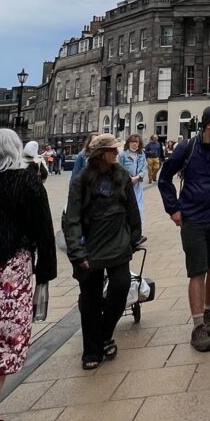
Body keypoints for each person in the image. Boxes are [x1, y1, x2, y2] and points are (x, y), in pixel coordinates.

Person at [158, 106, 210, 352]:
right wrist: (173, 209)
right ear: (208, 124)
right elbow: (165, 178)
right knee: (197, 271)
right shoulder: (187, 148)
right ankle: (197, 327)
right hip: (193, 220)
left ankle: (208, 311)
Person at [0, 128, 58, 421]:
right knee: (4, 345)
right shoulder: (28, 181)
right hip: (11, 271)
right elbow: (44, 230)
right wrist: (45, 272)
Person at [64, 133, 141, 370]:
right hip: (90, 248)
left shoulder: (121, 176)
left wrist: (133, 238)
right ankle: (91, 349)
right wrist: (78, 252)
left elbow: (132, 211)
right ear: (100, 154)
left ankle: (105, 332)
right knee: (90, 300)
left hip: (118, 244)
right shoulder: (81, 182)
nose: (116, 154)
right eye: (112, 151)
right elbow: (73, 219)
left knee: (120, 286)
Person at [119, 134, 147, 226]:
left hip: (138, 182)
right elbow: (120, 168)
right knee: (128, 204)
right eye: (132, 142)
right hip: (127, 183)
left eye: (136, 142)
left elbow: (144, 167)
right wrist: (129, 178)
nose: (134, 144)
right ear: (128, 143)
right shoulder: (123, 154)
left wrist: (138, 177)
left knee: (139, 205)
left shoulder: (141, 154)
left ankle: (139, 226)